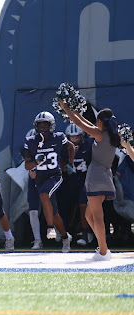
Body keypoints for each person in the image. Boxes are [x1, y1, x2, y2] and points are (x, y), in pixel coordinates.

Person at [59, 102, 121, 260]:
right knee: (88, 215)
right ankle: (103, 246)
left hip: (96, 176)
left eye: (97, 122)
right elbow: (85, 123)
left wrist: (65, 109)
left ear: (100, 122)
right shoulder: (114, 136)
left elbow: (80, 124)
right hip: (105, 176)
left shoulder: (100, 135)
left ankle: (103, 252)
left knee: (97, 216)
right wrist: (74, 111)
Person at [23, 111, 75, 253]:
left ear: (51, 126)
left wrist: (70, 163)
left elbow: (71, 147)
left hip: (55, 176)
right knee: (54, 213)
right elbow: (27, 166)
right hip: (40, 178)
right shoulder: (31, 141)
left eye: (46, 125)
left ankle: (50, 228)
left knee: (44, 194)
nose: (43, 128)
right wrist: (35, 162)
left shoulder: (58, 137)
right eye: (40, 125)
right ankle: (65, 237)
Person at [59, 123, 94, 246]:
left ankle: (86, 232)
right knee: (64, 205)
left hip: (85, 180)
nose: (74, 140)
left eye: (77, 137)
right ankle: (65, 231)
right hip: (70, 181)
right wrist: (63, 166)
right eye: (71, 137)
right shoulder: (64, 148)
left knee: (83, 205)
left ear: (82, 136)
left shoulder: (89, 145)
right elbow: (60, 161)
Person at [23, 129, 43, 249]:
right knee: (33, 210)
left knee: (51, 207)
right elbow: (27, 164)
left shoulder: (47, 147)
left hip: (47, 178)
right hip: (33, 181)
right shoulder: (26, 149)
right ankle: (37, 239)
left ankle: (60, 234)